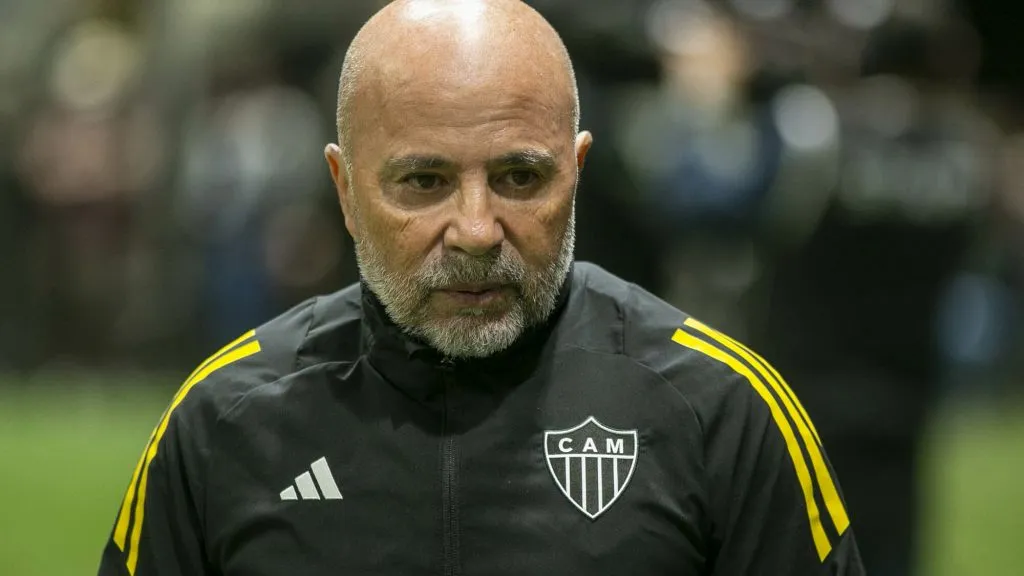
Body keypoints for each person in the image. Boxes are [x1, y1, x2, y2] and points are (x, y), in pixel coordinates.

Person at [98, 1, 864, 574]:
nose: (476, 229)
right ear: (343, 191)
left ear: (578, 174)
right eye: (423, 181)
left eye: (520, 177)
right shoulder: (225, 423)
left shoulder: (721, 413)